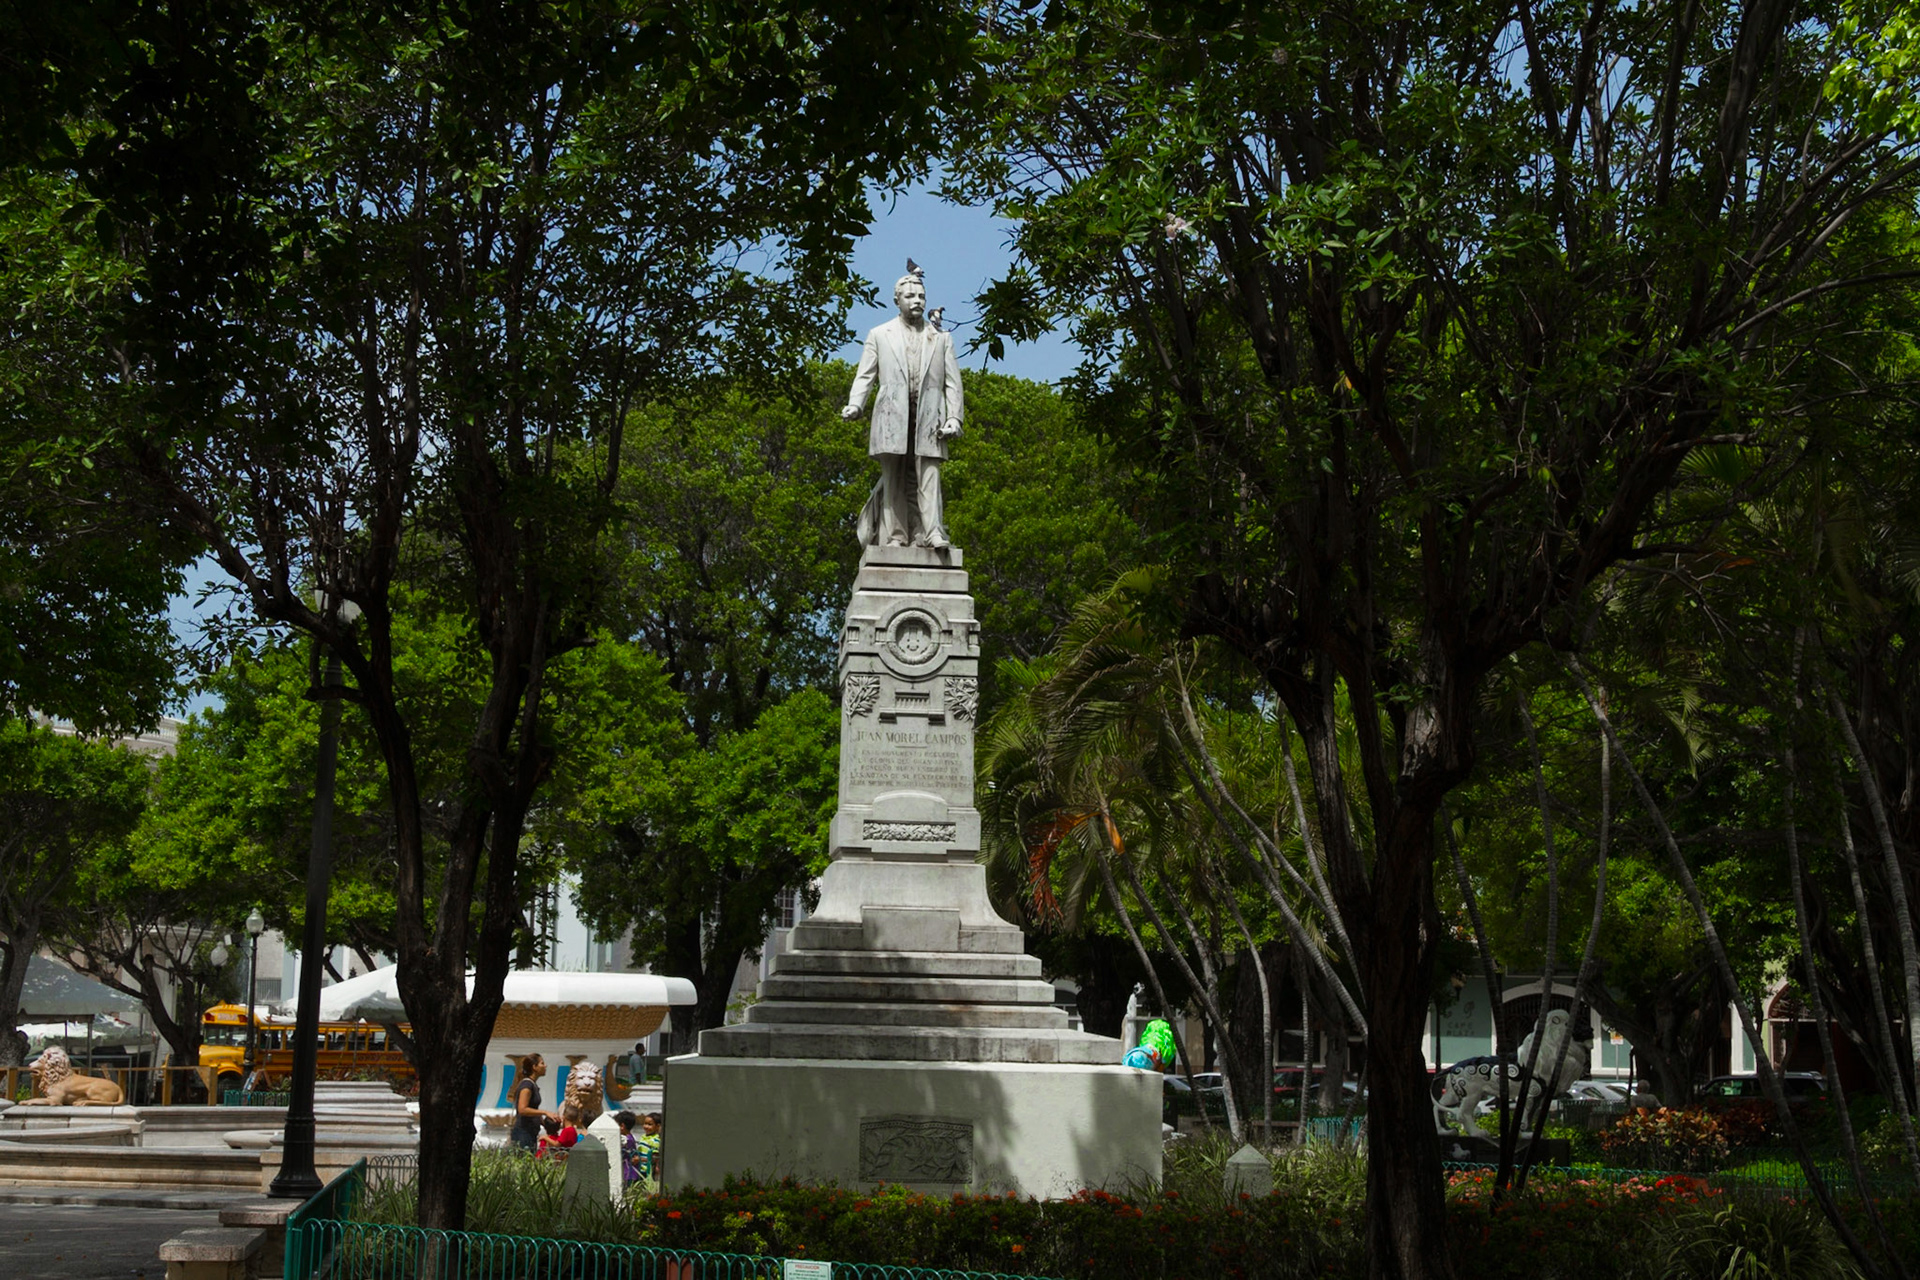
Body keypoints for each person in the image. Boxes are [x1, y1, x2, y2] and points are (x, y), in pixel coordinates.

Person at [842, 266, 964, 549]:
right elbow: (866, 375)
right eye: (910, 296)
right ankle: (895, 537)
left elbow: (952, 383)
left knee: (929, 476)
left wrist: (955, 418)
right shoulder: (879, 334)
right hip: (890, 416)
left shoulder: (942, 338)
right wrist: (855, 404)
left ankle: (933, 532)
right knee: (893, 479)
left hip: (930, 417)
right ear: (897, 300)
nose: (917, 300)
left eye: (921, 295)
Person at [508, 1053, 559, 1153]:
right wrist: (545, 1112)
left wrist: (547, 1124)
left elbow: (532, 1108)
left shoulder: (532, 1085)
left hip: (531, 1132)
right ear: (534, 1067)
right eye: (542, 1063)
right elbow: (522, 1109)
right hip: (523, 1133)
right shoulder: (527, 1085)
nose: (545, 1066)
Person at [636, 1111, 663, 1193]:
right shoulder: (643, 1137)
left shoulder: (655, 1140)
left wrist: (639, 1160)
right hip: (640, 1170)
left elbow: (654, 1159)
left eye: (649, 1124)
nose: (646, 1126)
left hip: (648, 1172)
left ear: (657, 1126)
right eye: (645, 1123)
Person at [614, 1110, 641, 1186]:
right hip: (630, 1172)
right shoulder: (630, 1137)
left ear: (622, 1126)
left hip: (628, 1172)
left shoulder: (626, 1139)